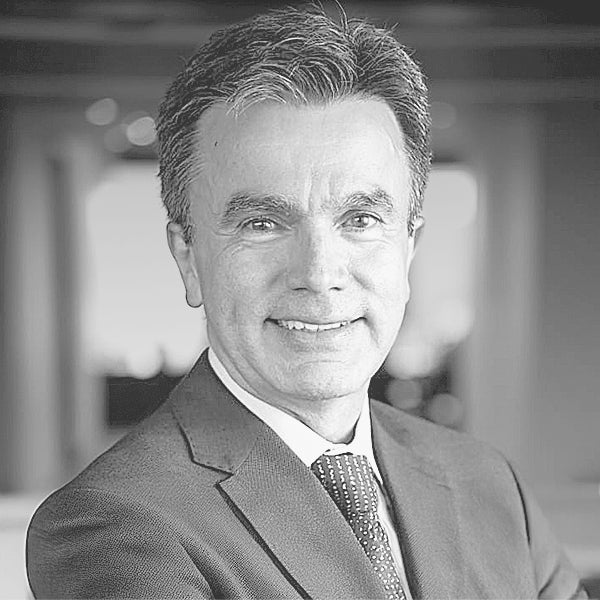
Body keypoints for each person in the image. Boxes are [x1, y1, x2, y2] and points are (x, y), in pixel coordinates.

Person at [26, 5, 587, 599]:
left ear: (408, 249)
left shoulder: (490, 485)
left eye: (361, 219)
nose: (319, 276)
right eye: (262, 223)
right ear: (188, 258)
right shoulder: (115, 525)